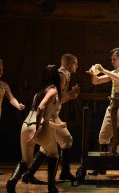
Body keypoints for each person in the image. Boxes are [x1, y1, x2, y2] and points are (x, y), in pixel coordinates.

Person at [20, 53, 80, 184]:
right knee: (65, 140)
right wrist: (73, 94)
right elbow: (57, 98)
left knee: (57, 143)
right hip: (50, 116)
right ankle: (54, 175)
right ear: (67, 64)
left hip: (52, 115)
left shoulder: (65, 75)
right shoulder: (62, 76)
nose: (77, 66)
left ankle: (29, 174)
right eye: (75, 63)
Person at [6, 65, 64, 193]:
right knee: (54, 153)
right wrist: (38, 128)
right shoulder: (53, 90)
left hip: (25, 125)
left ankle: (12, 181)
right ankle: (51, 187)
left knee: (26, 160)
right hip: (38, 127)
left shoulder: (39, 92)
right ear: (56, 77)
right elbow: (41, 108)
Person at [86, 47, 119, 175]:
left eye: (114, 59)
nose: (112, 61)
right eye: (112, 59)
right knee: (103, 135)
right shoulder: (114, 71)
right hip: (113, 106)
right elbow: (96, 82)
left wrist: (103, 69)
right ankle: (101, 166)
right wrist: (94, 74)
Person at [0, 58, 25, 175]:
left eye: (1, 69)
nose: (0, 71)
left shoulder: (4, 85)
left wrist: (18, 105)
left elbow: (11, 99)